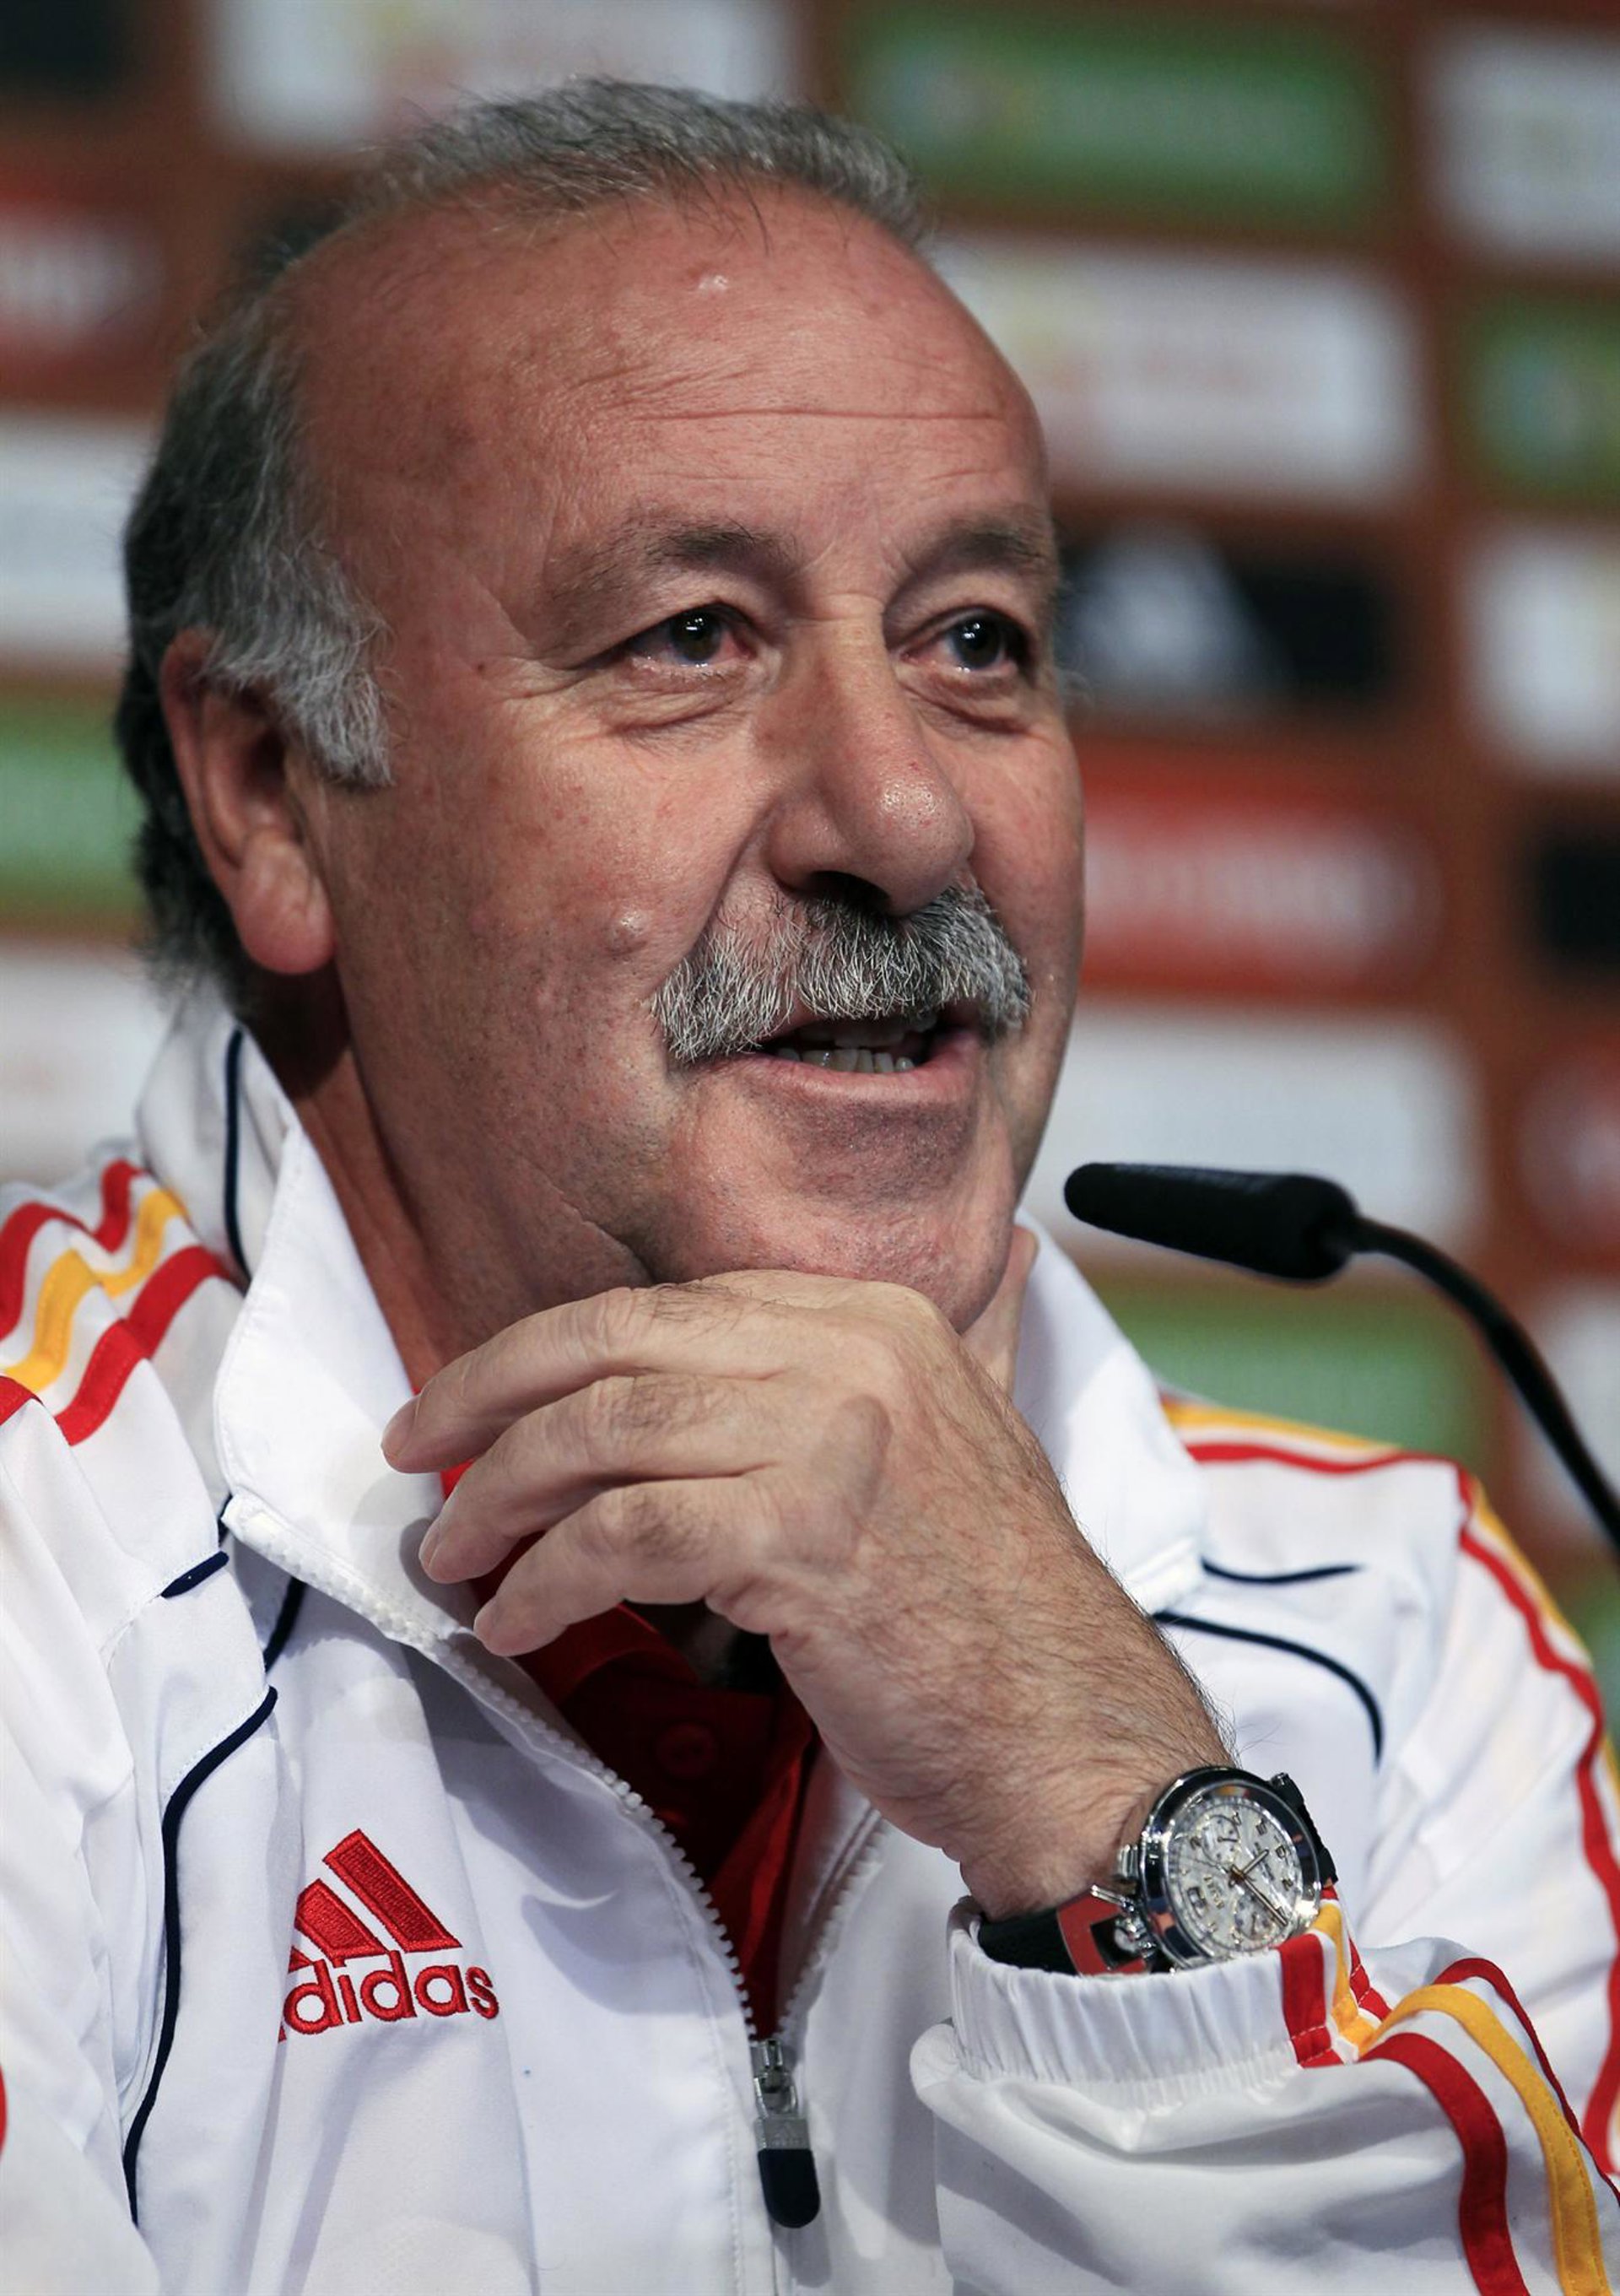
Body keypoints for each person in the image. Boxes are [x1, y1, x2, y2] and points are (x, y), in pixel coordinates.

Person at [0, 80, 1615, 2295]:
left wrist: (1100, 1789)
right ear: (275, 793)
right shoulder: (38, 1557)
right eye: (691, 637)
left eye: (977, 640)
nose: (907, 814)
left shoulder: (1401, 1634)